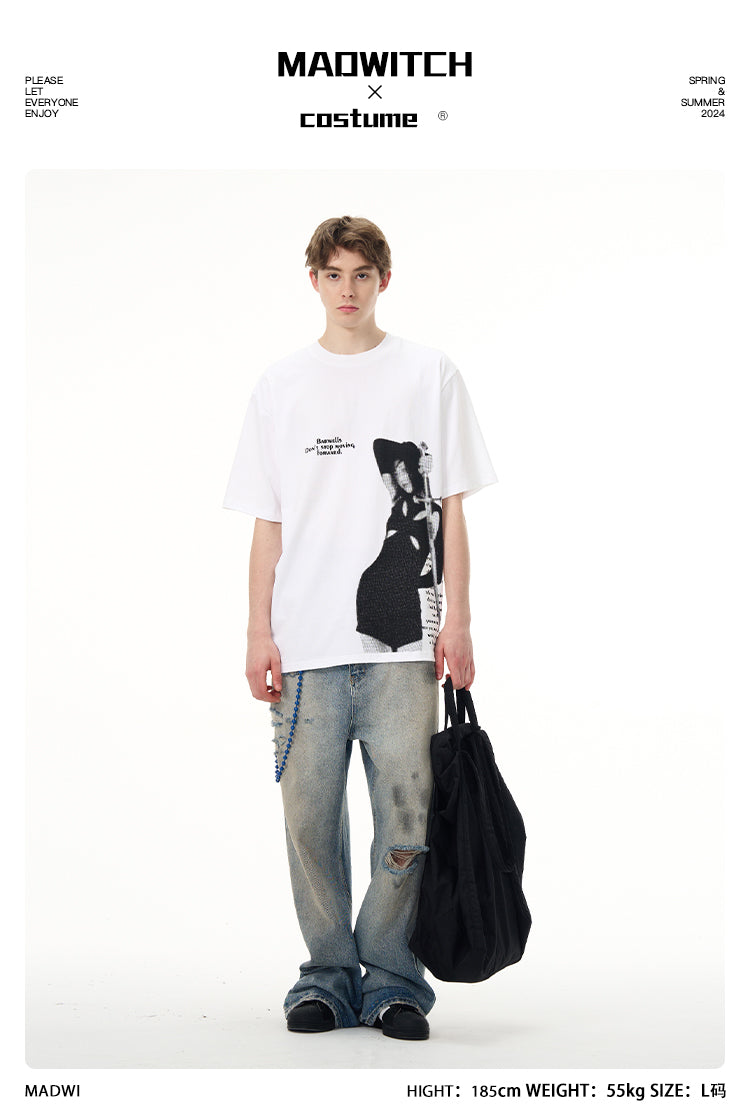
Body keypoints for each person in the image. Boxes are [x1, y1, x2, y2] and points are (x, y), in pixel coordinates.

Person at [224, 216, 496, 1040]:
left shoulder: (429, 373)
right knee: (309, 824)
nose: (348, 290)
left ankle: (392, 980)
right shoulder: (280, 385)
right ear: (313, 280)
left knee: (405, 825)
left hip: (405, 648)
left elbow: (450, 509)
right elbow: (268, 522)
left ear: (385, 280)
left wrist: (458, 621)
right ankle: (327, 975)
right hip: (305, 646)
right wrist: (257, 632)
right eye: (334, 274)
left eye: (362, 275)